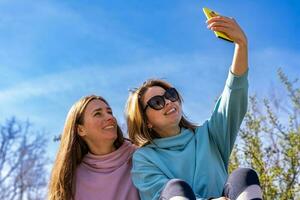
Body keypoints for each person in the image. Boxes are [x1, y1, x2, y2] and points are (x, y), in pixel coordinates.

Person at [125, 15, 263, 200]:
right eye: (157, 102)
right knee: (175, 188)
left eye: (170, 95)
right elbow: (158, 194)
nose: (168, 102)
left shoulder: (210, 136)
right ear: (146, 121)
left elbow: (233, 95)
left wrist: (241, 45)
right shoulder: (145, 158)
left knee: (244, 176)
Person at [48, 95, 139, 200]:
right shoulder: (71, 179)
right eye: (98, 114)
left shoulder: (139, 157)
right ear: (81, 130)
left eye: (109, 112)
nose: (110, 117)